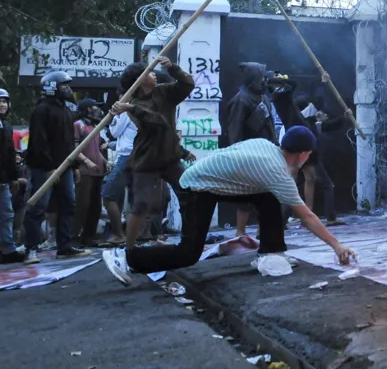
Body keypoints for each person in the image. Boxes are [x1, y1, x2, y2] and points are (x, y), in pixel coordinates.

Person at [102, 126, 356, 286]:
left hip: (213, 180)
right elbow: (307, 216)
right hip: (197, 187)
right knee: (188, 253)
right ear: (303, 154)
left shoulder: (267, 146)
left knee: (268, 197)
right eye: (309, 155)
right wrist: (337, 244)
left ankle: (271, 253)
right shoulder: (276, 172)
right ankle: (127, 257)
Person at [111, 56, 194, 249]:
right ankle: (129, 248)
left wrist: (172, 67)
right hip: (146, 160)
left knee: (190, 195)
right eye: (148, 72)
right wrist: (130, 108)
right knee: (141, 204)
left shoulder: (163, 92)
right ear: (139, 80)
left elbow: (187, 84)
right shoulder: (131, 103)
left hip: (170, 157)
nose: (154, 74)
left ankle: (190, 239)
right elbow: (156, 122)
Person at [23, 71, 95, 263]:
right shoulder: (41, 110)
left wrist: (74, 166)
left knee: (68, 204)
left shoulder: (64, 110)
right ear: (51, 88)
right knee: (39, 206)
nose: (68, 89)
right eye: (64, 85)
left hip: (65, 168)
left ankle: (64, 247)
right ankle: (31, 248)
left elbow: (68, 143)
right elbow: (39, 142)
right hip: (44, 168)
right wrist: (49, 168)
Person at [269, 76, 345, 219]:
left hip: (297, 145)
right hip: (302, 145)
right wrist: (323, 82)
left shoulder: (283, 103)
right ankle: (287, 217)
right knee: (300, 181)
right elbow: (313, 98)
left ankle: (301, 214)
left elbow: (325, 124)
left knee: (307, 179)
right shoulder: (289, 105)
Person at [225, 62, 278, 238]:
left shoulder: (263, 98)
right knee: (246, 196)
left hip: (266, 153)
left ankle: (263, 231)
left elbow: (269, 125)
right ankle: (240, 233)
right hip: (248, 155)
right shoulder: (241, 100)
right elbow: (234, 131)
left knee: (267, 194)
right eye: (261, 78)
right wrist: (238, 156)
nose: (264, 81)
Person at [72, 98, 108, 247]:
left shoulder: (95, 127)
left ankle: (89, 237)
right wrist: (87, 161)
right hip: (84, 171)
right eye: (94, 107)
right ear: (87, 109)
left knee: (95, 206)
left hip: (97, 171)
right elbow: (74, 149)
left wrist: (105, 162)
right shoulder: (78, 125)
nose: (97, 110)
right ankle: (73, 237)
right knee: (82, 205)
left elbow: (97, 150)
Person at [101, 106, 136, 245]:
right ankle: (136, 234)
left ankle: (118, 234)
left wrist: (115, 115)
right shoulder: (140, 109)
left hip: (127, 157)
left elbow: (115, 132)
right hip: (137, 156)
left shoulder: (127, 113)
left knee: (108, 194)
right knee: (135, 197)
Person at [0, 88, 26, 263]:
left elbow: (9, 154)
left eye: (4, 101)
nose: (2, 105)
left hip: (3, 179)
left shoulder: (6, 126)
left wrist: (14, 177)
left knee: (7, 213)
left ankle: (8, 250)